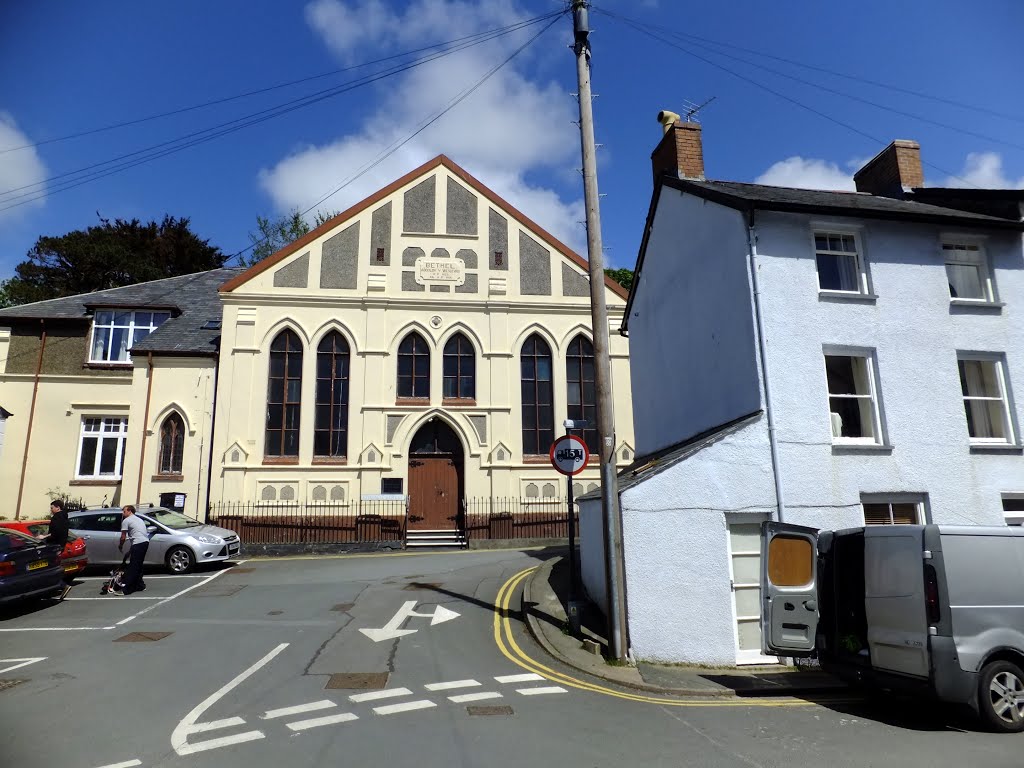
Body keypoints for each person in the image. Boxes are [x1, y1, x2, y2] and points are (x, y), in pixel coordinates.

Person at [115, 505, 151, 596]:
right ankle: (140, 585)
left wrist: (120, 545)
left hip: (138, 543)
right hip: (145, 542)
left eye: (124, 511)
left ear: (130, 511)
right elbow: (138, 533)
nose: (123, 513)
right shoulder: (139, 519)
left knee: (133, 566)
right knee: (138, 564)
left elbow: (123, 537)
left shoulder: (126, 521)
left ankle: (127, 589)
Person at [46, 499, 73, 600]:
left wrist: (43, 537)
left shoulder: (56, 518)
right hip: (61, 545)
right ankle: (60, 586)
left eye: (52, 508)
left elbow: (55, 533)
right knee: (54, 567)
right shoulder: (65, 517)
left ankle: (63, 585)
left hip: (54, 546)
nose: (51, 510)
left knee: (49, 568)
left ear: (58, 507)